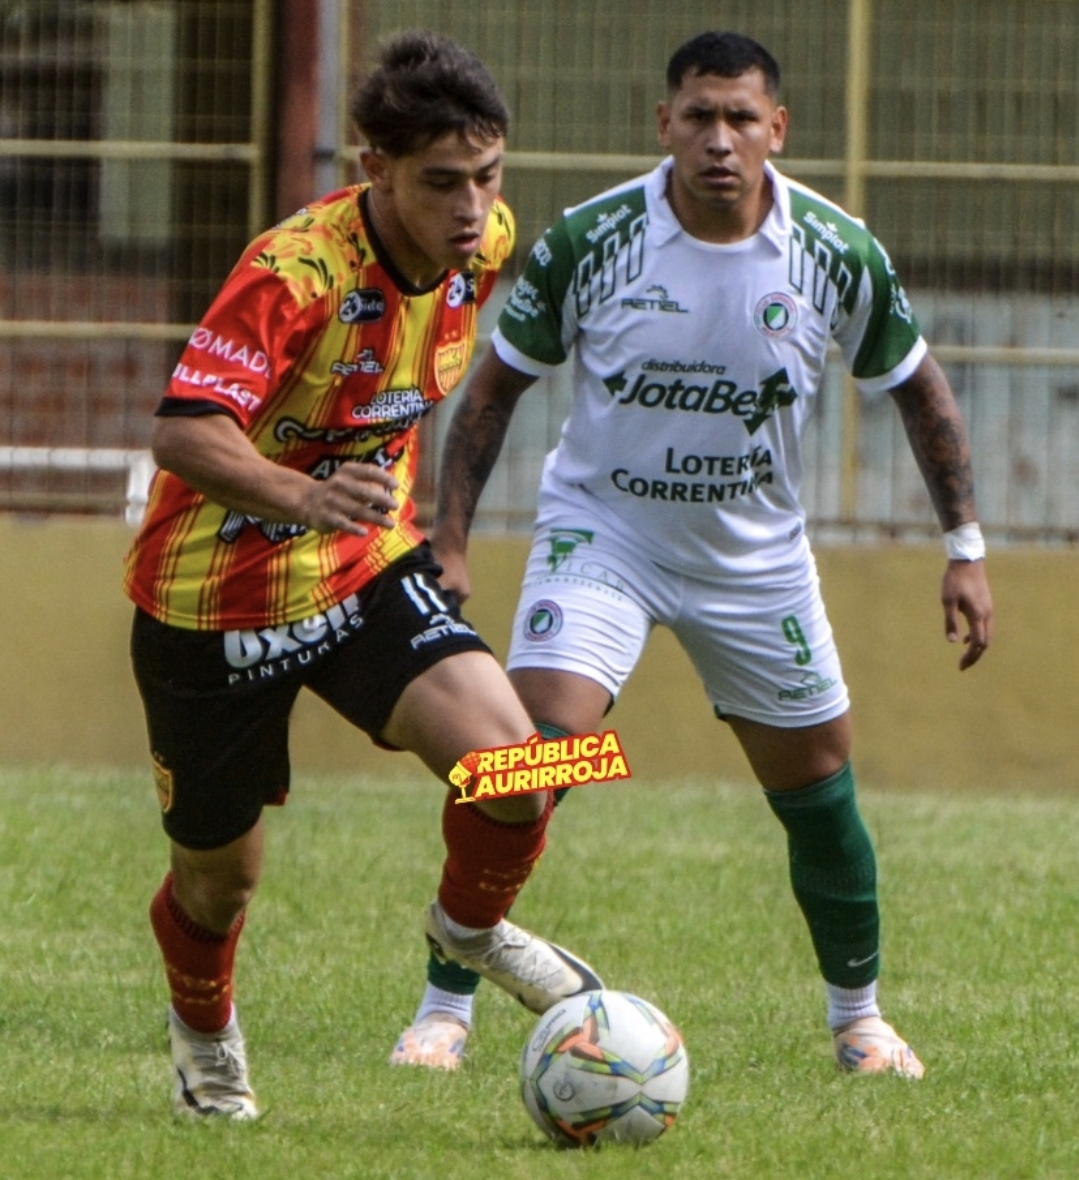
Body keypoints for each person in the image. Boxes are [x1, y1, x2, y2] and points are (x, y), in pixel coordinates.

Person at [391, 30, 993, 1077]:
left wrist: (964, 548)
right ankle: (445, 1000)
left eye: (740, 118)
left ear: (776, 130)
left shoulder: (833, 250)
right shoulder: (593, 239)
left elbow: (916, 385)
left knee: (817, 783)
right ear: (661, 124)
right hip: (603, 539)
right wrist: (448, 538)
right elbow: (492, 389)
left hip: (752, 560)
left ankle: (858, 1019)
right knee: (531, 755)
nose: (719, 139)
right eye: (698, 116)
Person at [123, 31, 602, 1120]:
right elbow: (182, 432)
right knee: (218, 882)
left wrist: (386, 522)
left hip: (355, 571)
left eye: (487, 177)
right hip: (212, 603)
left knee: (518, 768)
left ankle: (467, 931)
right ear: (372, 168)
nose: (472, 207)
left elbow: (398, 381)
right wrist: (301, 494)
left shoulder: (481, 246)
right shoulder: (293, 274)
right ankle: (204, 1041)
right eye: (441, 184)